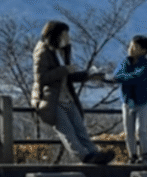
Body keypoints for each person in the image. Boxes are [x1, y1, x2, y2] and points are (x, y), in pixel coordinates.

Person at [31, 20, 114, 164]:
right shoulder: (43, 51)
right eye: (65, 34)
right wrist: (64, 70)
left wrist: (88, 75)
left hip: (66, 96)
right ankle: (85, 157)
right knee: (68, 132)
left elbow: (68, 77)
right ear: (56, 35)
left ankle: (95, 154)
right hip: (51, 99)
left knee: (80, 129)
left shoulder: (62, 51)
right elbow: (41, 78)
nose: (68, 37)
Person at [114, 35, 147, 164]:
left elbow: (137, 77)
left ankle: (145, 154)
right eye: (131, 45)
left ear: (144, 50)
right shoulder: (124, 62)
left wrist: (123, 78)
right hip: (127, 101)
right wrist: (124, 77)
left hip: (143, 101)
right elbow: (117, 75)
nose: (131, 48)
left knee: (141, 129)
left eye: (136, 46)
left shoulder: (146, 64)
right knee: (129, 131)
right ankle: (132, 155)